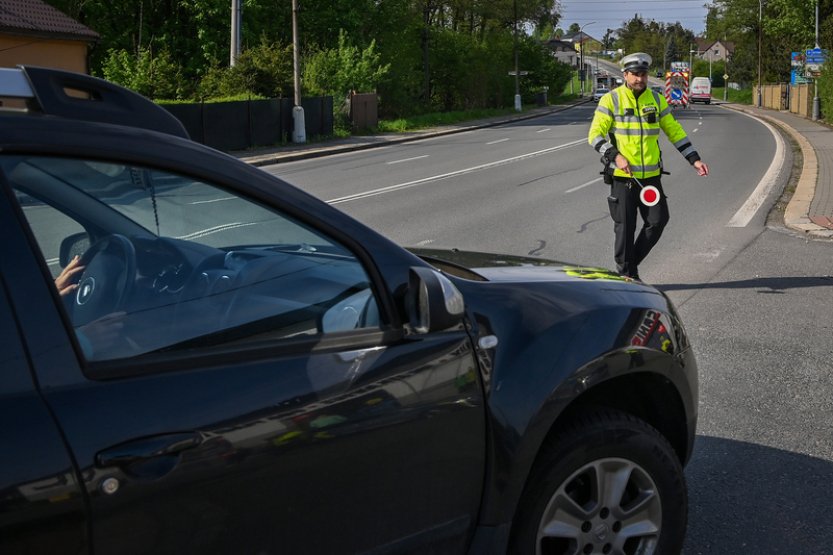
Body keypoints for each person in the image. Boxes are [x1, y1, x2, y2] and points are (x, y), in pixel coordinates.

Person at [588, 52, 709, 280]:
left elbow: (674, 130)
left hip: (651, 178)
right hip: (623, 178)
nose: (639, 79)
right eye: (635, 74)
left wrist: (694, 159)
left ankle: (628, 267)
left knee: (658, 221)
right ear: (625, 74)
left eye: (643, 74)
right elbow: (594, 135)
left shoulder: (656, 100)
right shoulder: (611, 100)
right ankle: (627, 276)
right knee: (625, 228)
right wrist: (615, 156)